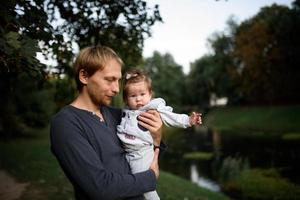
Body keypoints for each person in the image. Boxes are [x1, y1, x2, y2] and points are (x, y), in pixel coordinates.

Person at [50, 46, 164, 200]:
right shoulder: (65, 124)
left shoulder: (117, 114)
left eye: (118, 80)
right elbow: (100, 187)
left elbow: (143, 153)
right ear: (84, 76)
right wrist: (150, 178)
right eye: (110, 80)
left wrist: (157, 138)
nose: (117, 89)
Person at [117, 68, 202, 200]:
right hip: (128, 153)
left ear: (150, 94)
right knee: (129, 185)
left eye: (142, 94)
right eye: (133, 96)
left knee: (145, 187)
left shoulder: (152, 108)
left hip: (142, 154)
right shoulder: (127, 111)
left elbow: (171, 117)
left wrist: (188, 120)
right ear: (126, 99)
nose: (138, 99)